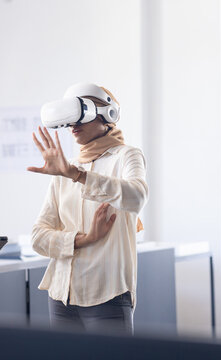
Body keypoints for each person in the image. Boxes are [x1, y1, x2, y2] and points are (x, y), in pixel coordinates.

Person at [28, 83, 148, 334]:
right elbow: (38, 237)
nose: (73, 124)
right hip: (61, 295)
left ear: (107, 114)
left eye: (80, 114)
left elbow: (136, 196)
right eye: (69, 118)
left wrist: (78, 176)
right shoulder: (65, 168)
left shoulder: (127, 156)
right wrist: (84, 239)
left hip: (107, 293)